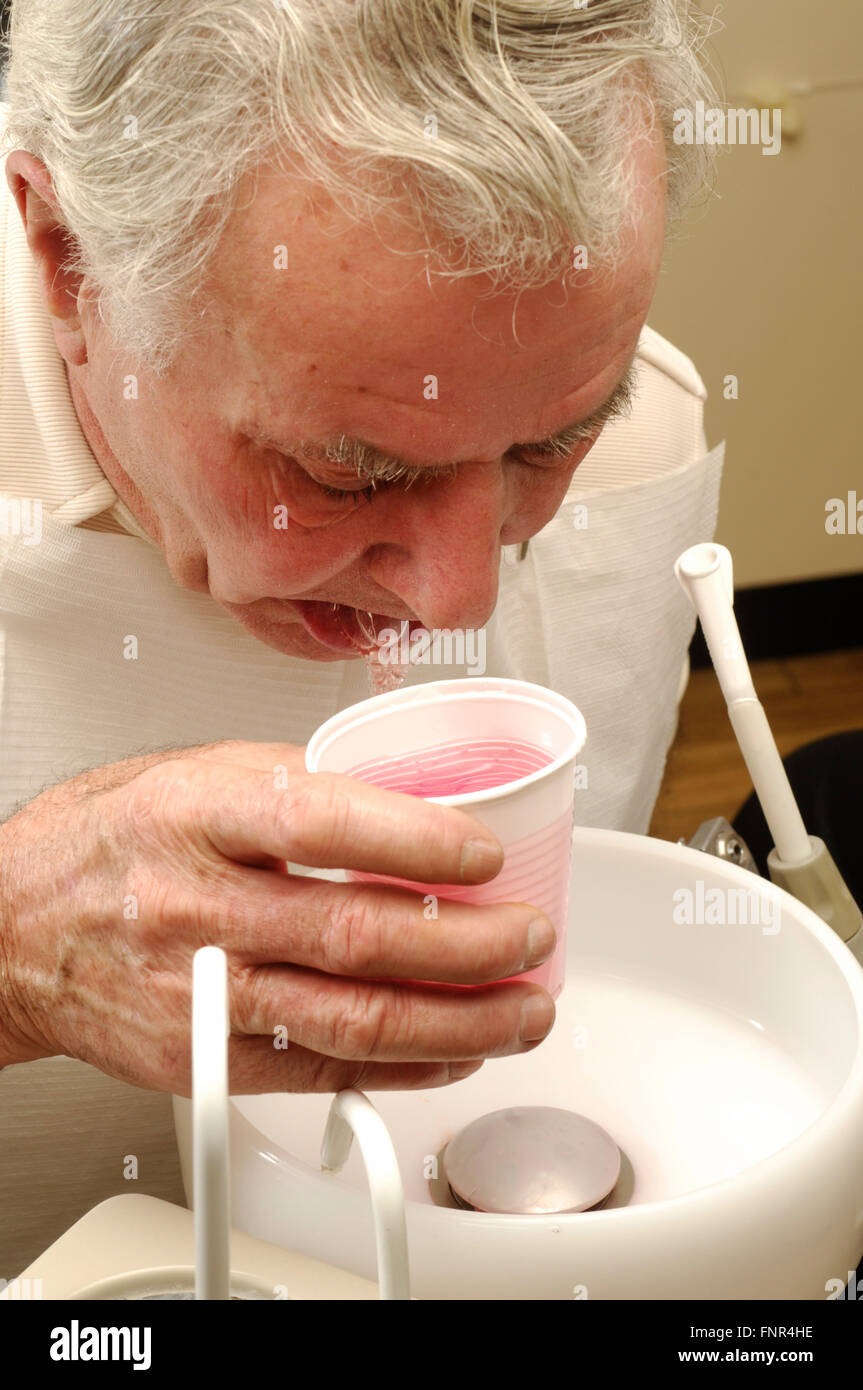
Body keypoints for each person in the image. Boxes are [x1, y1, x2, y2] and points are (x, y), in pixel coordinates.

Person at [0, 1, 721, 1272]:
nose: (458, 603)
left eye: (549, 441)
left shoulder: (649, 441)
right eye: (345, 472)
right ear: (68, 263)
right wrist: (18, 949)